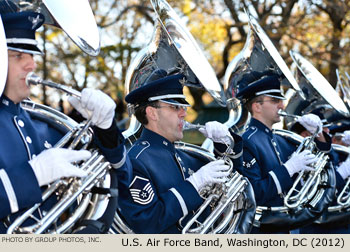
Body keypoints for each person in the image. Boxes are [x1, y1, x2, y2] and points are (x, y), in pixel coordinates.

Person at [0, 3, 131, 233]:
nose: (31, 64)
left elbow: (124, 181)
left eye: (31, 54)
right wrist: (31, 176)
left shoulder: (49, 127)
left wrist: (106, 128)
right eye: (17, 55)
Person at [118, 70, 246, 233]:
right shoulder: (137, 160)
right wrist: (193, 185)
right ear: (152, 113)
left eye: (183, 107)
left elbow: (236, 185)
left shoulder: (189, 156)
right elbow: (146, 222)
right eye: (175, 107)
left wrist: (225, 146)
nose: (184, 113)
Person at [235, 71, 334, 234]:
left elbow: (320, 162)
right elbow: (252, 193)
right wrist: (288, 170)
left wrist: (319, 135)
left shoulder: (281, 139)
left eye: (280, 100)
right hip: (265, 232)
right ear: (257, 106)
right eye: (274, 101)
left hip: (290, 226)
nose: (282, 105)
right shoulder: (247, 141)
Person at [290, 109, 350, 234]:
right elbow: (317, 191)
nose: (328, 132)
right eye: (323, 129)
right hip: (319, 229)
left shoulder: (329, 151)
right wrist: (343, 172)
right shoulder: (297, 155)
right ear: (306, 135)